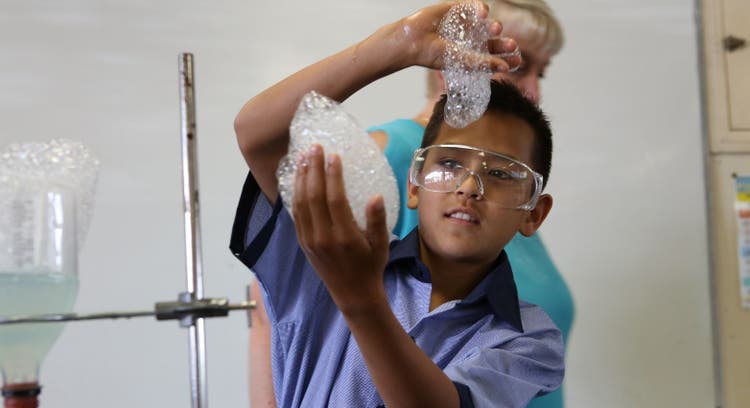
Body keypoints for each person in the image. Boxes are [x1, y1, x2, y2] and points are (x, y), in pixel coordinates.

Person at [232, 3, 563, 407]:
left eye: (501, 174)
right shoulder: (330, 260)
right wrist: (394, 47)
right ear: (413, 184)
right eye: (450, 164)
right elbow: (256, 136)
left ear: (534, 212)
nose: (469, 187)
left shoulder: (530, 336)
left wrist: (361, 300)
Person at [367, 2, 573, 406]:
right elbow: (286, 311)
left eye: (541, 73)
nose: (534, 90)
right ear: (453, 63)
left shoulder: (512, 190)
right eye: (518, 66)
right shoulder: (388, 152)